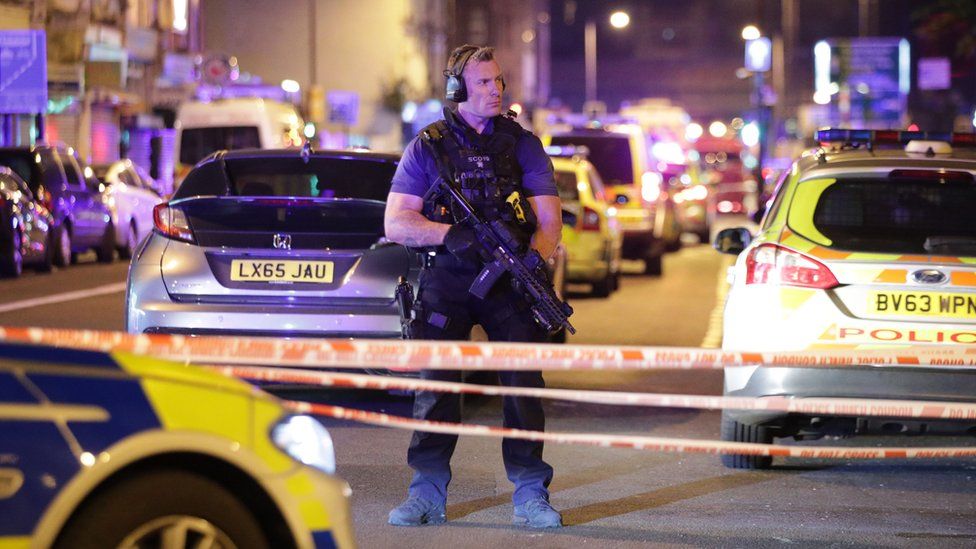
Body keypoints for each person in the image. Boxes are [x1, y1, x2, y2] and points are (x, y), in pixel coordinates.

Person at [384, 44, 564, 529]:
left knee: (523, 386)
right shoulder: (429, 145)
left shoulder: (522, 143)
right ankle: (426, 493)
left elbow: (549, 221)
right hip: (449, 275)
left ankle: (530, 494)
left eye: (499, 81)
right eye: (484, 83)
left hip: (510, 280)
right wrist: (449, 235)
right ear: (458, 89)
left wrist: (533, 261)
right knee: (436, 386)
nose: (496, 90)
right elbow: (397, 221)